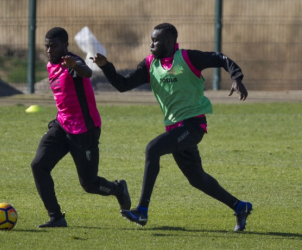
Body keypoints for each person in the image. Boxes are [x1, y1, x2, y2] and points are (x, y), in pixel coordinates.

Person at [91, 23, 252, 231]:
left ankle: (142, 210)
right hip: (175, 130)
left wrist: (236, 77)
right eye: (151, 40)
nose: (151, 44)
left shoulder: (187, 58)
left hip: (193, 126)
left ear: (168, 41)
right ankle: (240, 206)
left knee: (152, 149)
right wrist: (106, 66)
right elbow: (122, 85)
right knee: (197, 179)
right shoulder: (150, 64)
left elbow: (219, 58)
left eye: (155, 41)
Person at [31, 27, 131, 228]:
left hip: (84, 130)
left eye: (54, 46)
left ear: (65, 46)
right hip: (61, 125)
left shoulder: (72, 62)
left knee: (89, 184)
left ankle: (118, 189)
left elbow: (86, 72)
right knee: (38, 166)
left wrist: (74, 66)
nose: (50, 50)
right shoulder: (51, 65)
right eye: (47, 46)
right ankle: (56, 217)